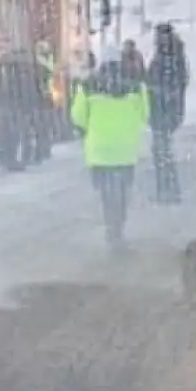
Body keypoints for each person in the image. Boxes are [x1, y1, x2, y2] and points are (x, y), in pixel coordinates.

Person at [70, 44, 150, 253]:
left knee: (106, 194)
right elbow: (145, 114)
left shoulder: (88, 86)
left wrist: (91, 127)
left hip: (99, 150)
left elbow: (78, 116)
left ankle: (111, 227)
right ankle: (119, 226)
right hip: (126, 149)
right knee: (123, 191)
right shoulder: (135, 85)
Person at [146, 23, 190, 203]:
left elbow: (175, 85)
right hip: (163, 111)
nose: (157, 39)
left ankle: (167, 190)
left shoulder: (169, 59)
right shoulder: (170, 57)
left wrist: (158, 92)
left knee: (162, 153)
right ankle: (168, 190)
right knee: (162, 153)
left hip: (164, 111)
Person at [0, 47, 45, 171]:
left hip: (16, 106)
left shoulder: (22, 70)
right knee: (15, 133)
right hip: (14, 106)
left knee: (18, 132)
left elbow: (28, 89)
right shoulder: (16, 70)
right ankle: (14, 158)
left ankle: (18, 157)